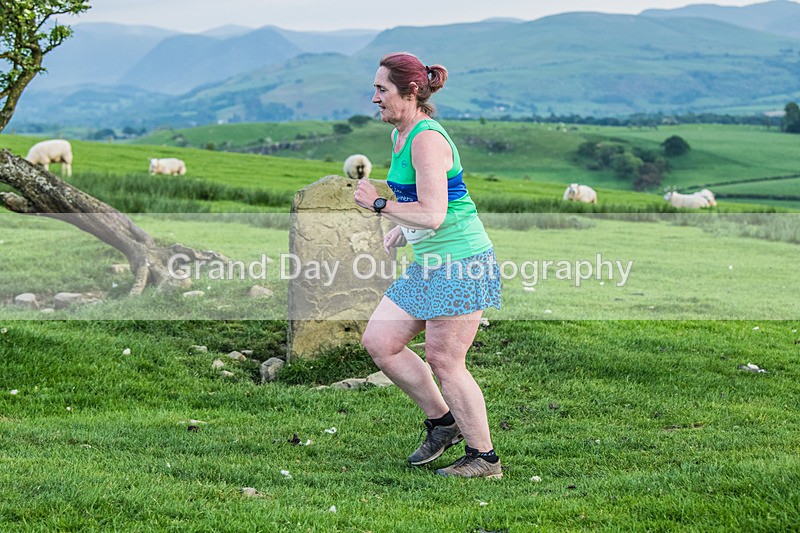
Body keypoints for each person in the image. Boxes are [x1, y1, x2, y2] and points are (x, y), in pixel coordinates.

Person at [353, 52, 502, 479]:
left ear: (411, 91)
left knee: (445, 360)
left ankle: (484, 458)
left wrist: (380, 205)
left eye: (381, 89)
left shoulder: (426, 139)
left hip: (463, 263)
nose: (374, 98)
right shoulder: (400, 135)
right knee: (380, 342)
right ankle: (443, 422)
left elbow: (435, 214)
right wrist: (404, 228)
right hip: (430, 262)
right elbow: (430, 200)